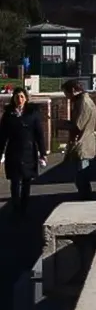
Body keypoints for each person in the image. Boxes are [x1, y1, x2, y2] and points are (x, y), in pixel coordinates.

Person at [0, 88, 46, 217]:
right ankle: (16, 207)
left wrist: (43, 153)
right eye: (16, 97)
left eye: (21, 97)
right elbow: (2, 136)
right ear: (13, 99)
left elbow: (39, 135)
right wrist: (1, 153)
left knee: (26, 181)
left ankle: (24, 206)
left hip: (29, 151)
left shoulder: (32, 114)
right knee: (14, 181)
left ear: (26, 98)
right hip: (13, 151)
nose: (19, 100)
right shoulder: (8, 115)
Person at [61, 80, 96, 200]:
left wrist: (60, 124)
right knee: (81, 175)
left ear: (72, 90)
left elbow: (78, 125)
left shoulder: (83, 103)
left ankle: (86, 199)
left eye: (66, 93)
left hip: (83, 144)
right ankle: (85, 197)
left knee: (82, 176)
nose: (66, 97)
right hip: (84, 143)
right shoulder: (83, 101)